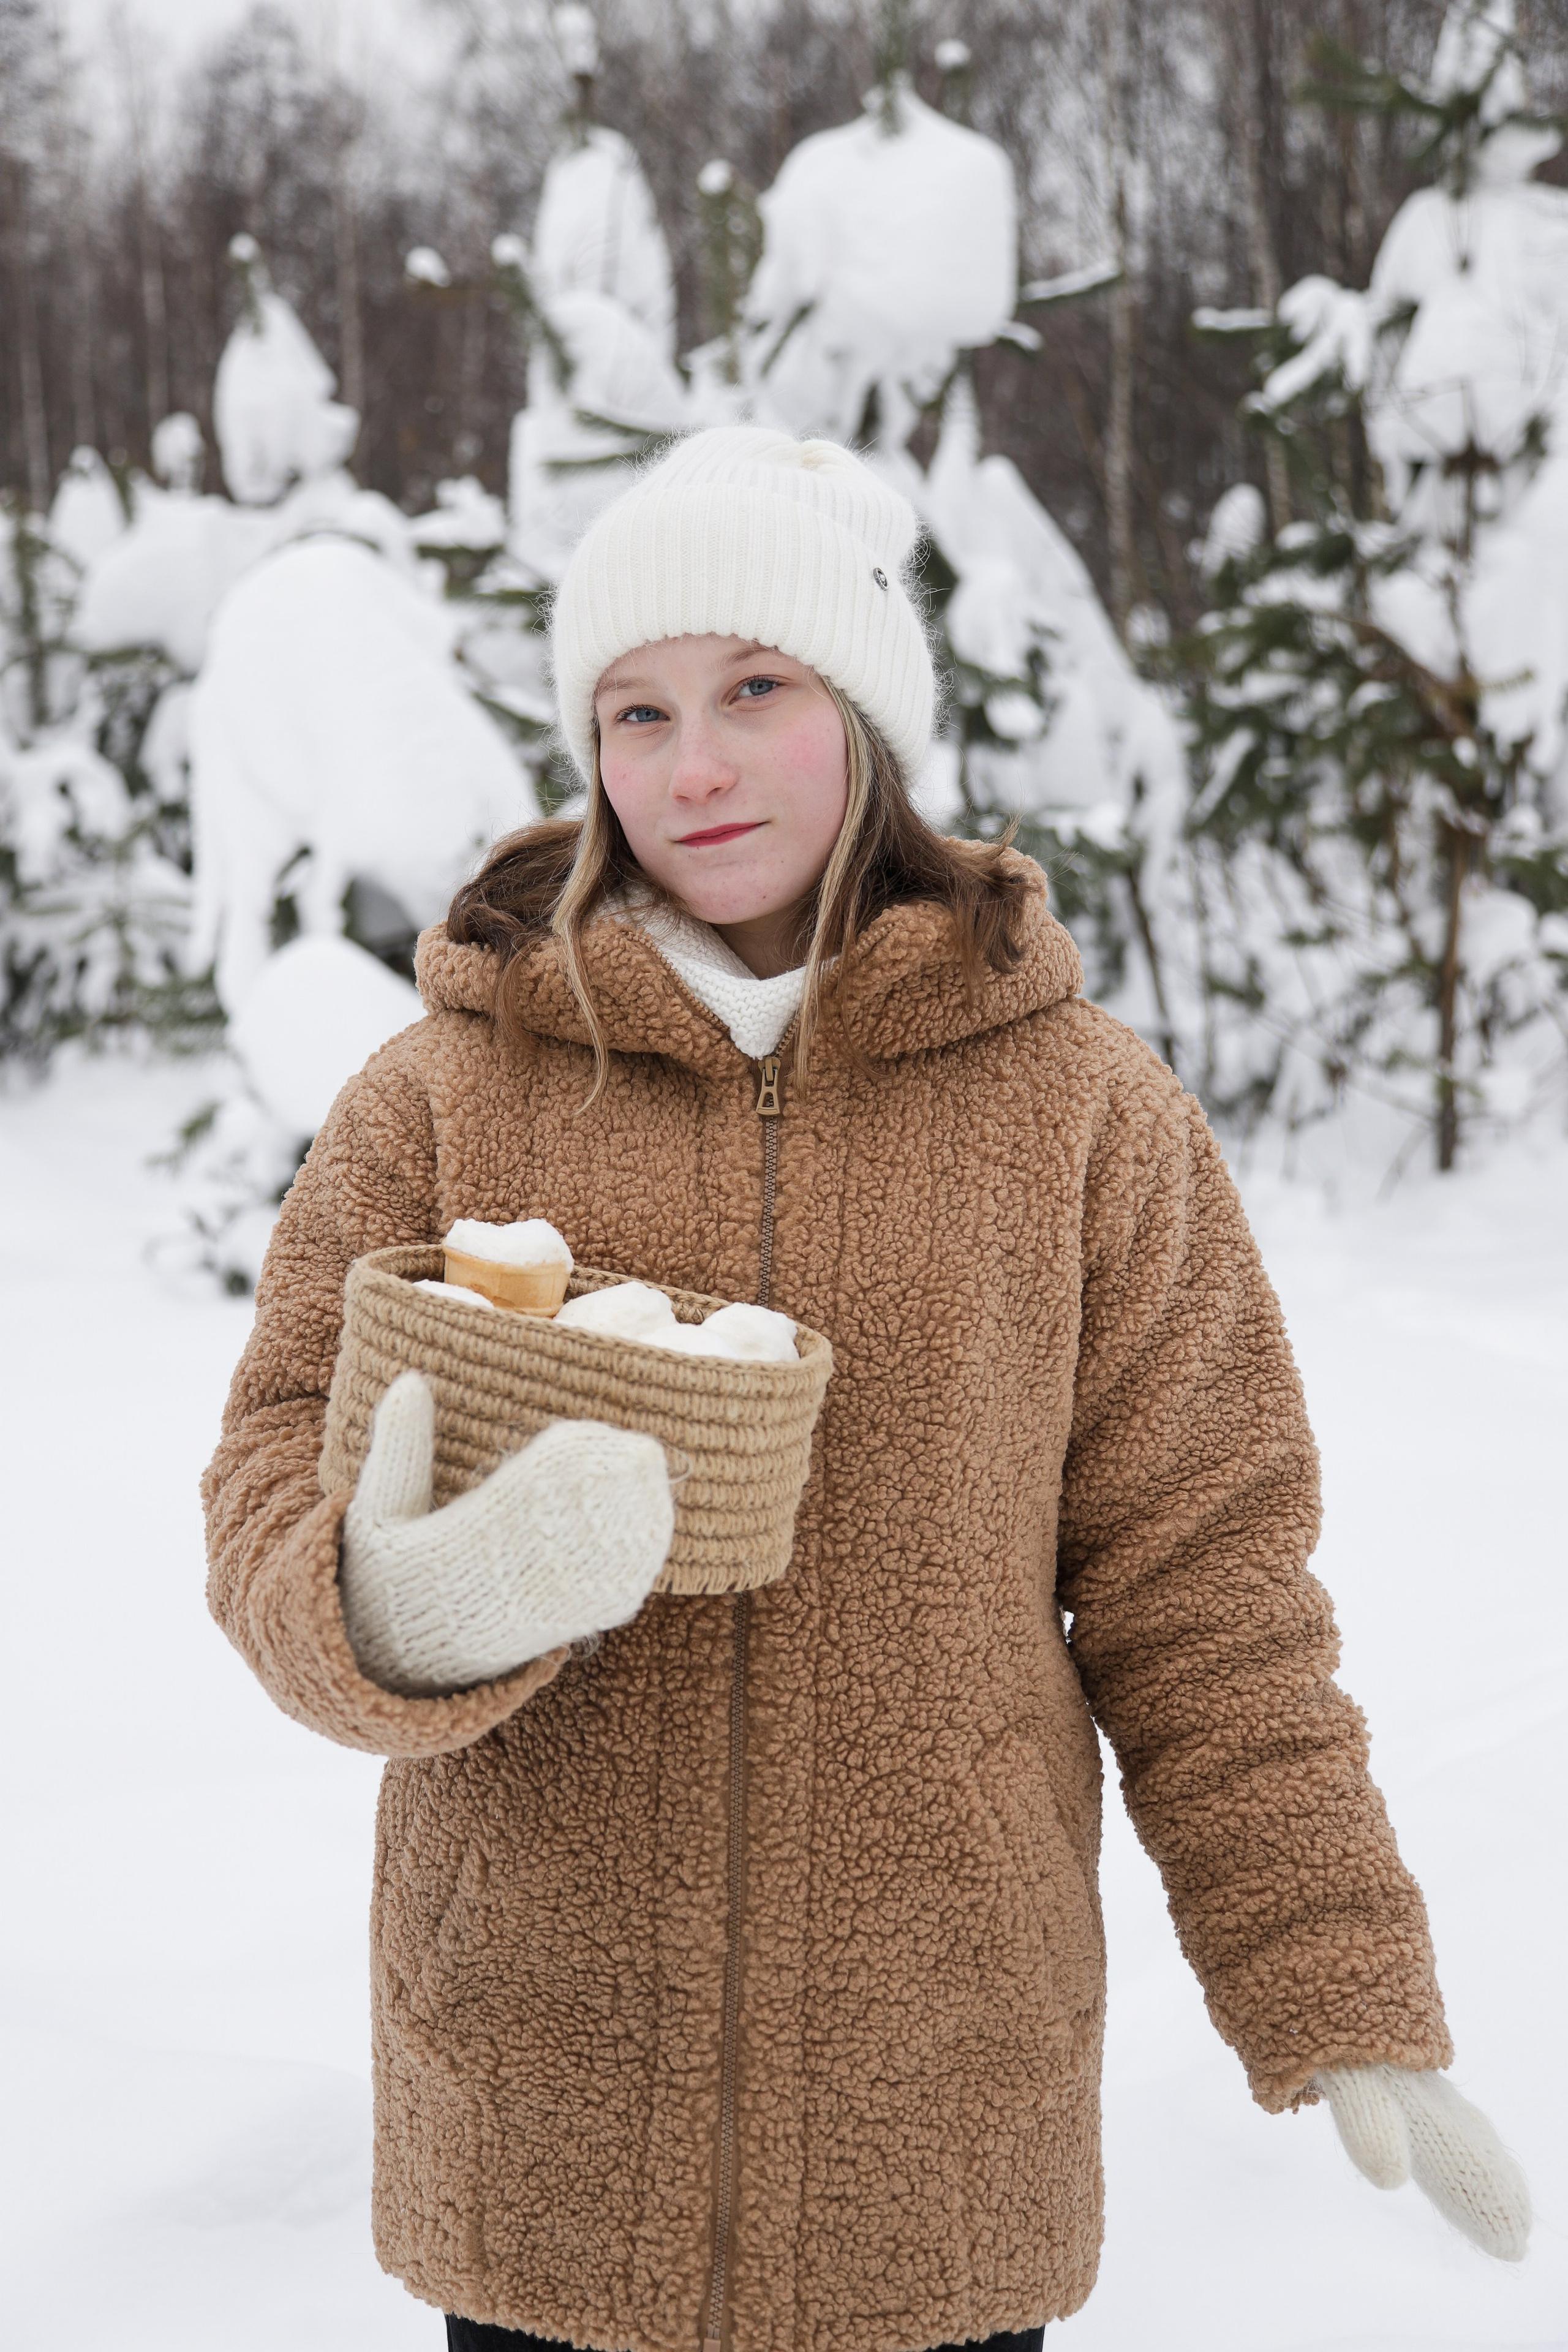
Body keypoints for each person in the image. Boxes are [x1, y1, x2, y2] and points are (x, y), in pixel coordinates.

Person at [203, 426, 1530, 2352]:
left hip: (937, 2143)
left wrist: (1337, 1992)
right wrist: (404, 1605)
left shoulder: (1084, 1113)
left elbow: (1210, 1595)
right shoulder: (448, 1092)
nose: (696, 764)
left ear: (870, 717)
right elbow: (262, 1487)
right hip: (539, 2134)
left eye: (758, 688)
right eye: (637, 712)